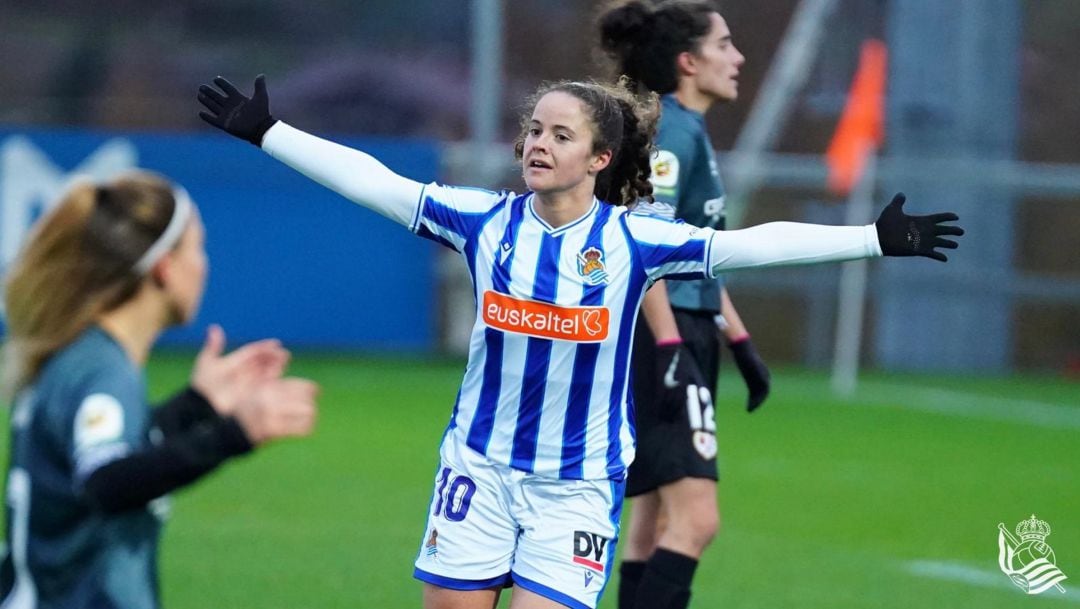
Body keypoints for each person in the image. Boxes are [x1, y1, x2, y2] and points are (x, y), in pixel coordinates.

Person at [197, 73, 962, 609]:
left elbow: (752, 246)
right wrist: (269, 131)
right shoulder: (483, 220)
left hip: (578, 487)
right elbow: (375, 182)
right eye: (534, 129)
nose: (538, 143)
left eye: (561, 135)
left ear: (599, 159)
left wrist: (872, 238)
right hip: (479, 471)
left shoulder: (638, 239)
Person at [0, 172, 319, 609]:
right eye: (197, 247)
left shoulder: (82, 355)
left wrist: (195, 407)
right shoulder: (103, 369)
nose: (205, 264)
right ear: (164, 269)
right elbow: (105, 481)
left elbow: (98, 462)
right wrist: (235, 434)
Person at [596, 2, 769, 607]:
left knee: (651, 524)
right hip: (664, 334)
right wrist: (670, 346)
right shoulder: (670, 133)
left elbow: (693, 254)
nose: (738, 57)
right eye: (725, 45)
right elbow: (647, 249)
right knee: (697, 522)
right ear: (688, 62)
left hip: (682, 329)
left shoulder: (685, 130)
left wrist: (739, 341)